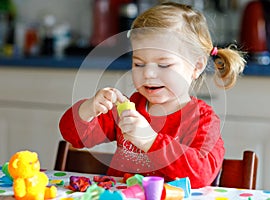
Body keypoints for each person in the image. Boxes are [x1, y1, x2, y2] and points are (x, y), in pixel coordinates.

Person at [59, 2, 246, 188]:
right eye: (139, 64)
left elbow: (201, 174)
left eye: (163, 65)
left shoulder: (203, 120)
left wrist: (150, 140)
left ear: (196, 67)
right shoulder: (129, 106)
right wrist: (89, 108)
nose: (148, 74)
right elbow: (73, 136)